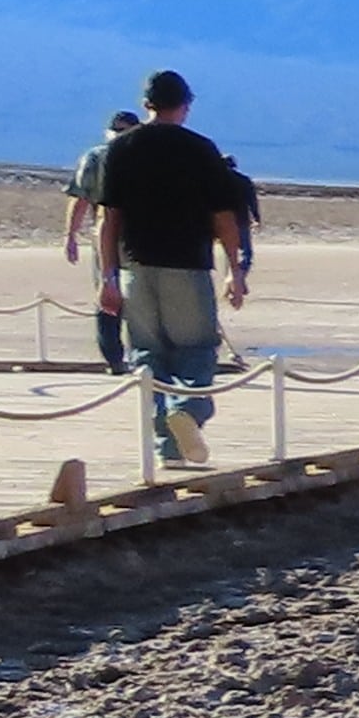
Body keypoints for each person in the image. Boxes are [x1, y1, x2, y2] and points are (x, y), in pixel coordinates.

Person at [89, 71, 245, 468]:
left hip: (134, 267)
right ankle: (187, 413)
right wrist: (234, 269)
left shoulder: (120, 149)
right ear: (186, 106)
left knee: (147, 355)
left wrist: (107, 277)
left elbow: (108, 220)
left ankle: (168, 447)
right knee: (195, 352)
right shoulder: (200, 150)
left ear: (147, 105)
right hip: (186, 266)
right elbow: (224, 216)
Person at [63, 109, 137, 372]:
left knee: (115, 292)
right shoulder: (97, 158)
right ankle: (121, 358)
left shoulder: (101, 157)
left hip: (124, 235)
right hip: (118, 235)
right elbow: (80, 198)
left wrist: (71, 235)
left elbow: (80, 197)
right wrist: (70, 235)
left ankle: (122, 358)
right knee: (115, 294)